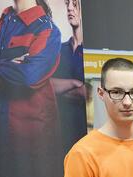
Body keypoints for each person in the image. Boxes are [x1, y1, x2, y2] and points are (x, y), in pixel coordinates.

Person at [0, 0, 61, 177]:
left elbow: (29, 75)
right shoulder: (3, 21)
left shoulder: (46, 29)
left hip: (28, 140)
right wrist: (9, 64)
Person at [51, 0, 86, 149]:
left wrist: (59, 88)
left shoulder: (91, 52)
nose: (70, 9)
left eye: (75, 4)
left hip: (83, 135)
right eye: (67, 4)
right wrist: (74, 83)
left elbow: (87, 92)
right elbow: (44, 85)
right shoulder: (58, 50)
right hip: (58, 134)